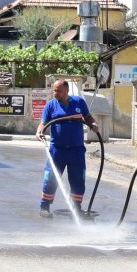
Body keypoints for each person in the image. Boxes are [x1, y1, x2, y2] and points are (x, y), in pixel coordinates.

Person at [35, 79, 100, 218]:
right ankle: (44, 206)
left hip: (76, 150)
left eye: (59, 90)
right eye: (54, 90)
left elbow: (88, 117)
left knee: (78, 179)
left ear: (67, 90)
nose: (55, 93)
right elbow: (43, 123)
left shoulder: (79, 102)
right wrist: (39, 132)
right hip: (57, 150)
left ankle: (76, 208)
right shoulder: (51, 105)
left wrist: (93, 124)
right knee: (50, 178)